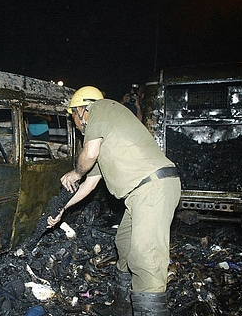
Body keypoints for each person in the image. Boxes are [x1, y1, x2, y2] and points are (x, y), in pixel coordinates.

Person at [48, 86, 180, 315]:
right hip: (139, 195)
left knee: (145, 258)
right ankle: (122, 308)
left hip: (153, 188)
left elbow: (86, 158)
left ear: (81, 110)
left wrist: (76, 173)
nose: (76, 126)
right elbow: (90, 184)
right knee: (125, 245)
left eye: (74, 118)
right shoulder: (106, 137)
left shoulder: (102, 107)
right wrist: (63, 209)